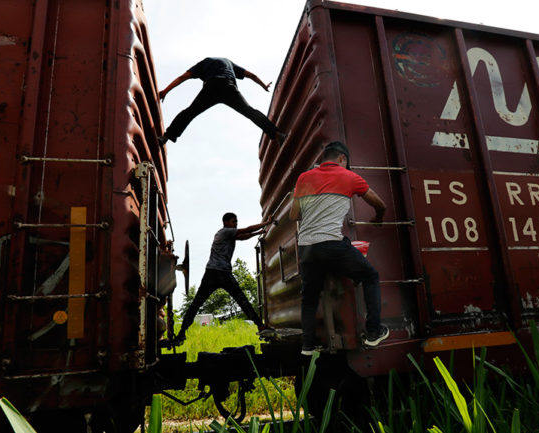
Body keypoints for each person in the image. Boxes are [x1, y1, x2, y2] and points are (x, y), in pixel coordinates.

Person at [289, 141, 389, 355]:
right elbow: (380, 204)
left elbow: (293, 215)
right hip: (332, 245)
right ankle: (374, 332)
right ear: (342, 159)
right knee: (370, 276)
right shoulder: (350, 177)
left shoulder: (304, 178)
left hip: (306, 248)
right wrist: (378, 217)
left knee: (309, 297)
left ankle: (308, 345)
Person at [175, 213, 274, 343]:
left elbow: (243, 237)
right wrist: (266, 223)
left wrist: (259, 232)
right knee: (241, 300)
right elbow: (247, 229)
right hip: (220, 273)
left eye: (237, 221)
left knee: (196, 304)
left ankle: (182, 332)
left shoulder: (227, 235)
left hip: (211, 273)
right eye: (234, 221)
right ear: (226, 222)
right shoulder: (224, 232)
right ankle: (260, 326)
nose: (236, 223)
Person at [157, 57, 287, 146]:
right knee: (250, 112)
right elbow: (251, 75)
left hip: (211, 87)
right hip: (228, 87)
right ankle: (277, 134)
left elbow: (183, 77)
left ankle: (166, 137)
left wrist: (166, 90)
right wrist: (263, 85)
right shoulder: (228, 62)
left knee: (189, 112)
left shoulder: (204, 63)